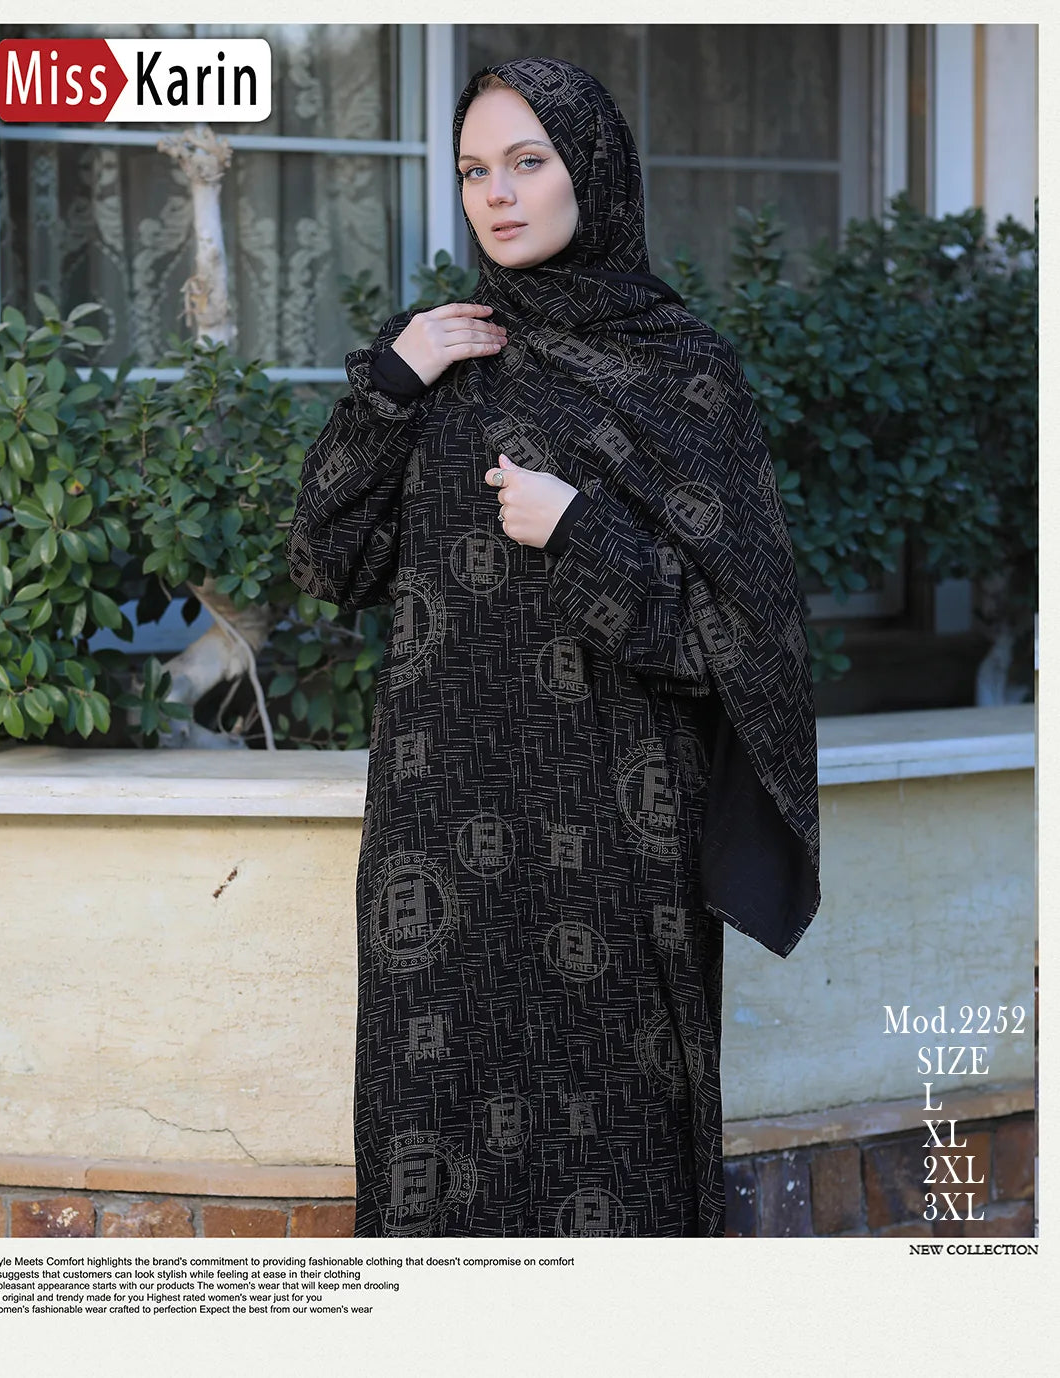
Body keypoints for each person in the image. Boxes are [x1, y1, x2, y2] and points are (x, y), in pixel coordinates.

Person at [285, 56, 821, 1238]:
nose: (499, 194)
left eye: (529, 162)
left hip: (615, 839)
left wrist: (581, 531)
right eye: (477, 169)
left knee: (615, 1157)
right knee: (436, 1136)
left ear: (597, 175)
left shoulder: (684, 373)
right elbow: (326, 562)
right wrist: (389, 383)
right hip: (440, 833)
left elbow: (745, 639)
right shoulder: (437, 351)